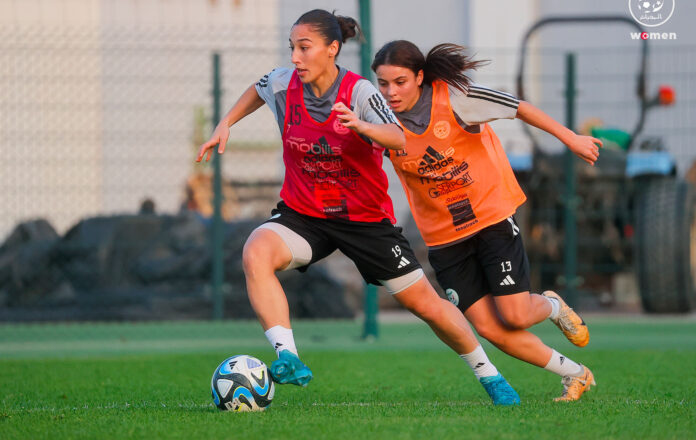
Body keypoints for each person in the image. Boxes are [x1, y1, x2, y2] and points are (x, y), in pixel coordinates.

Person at [196, 10, 519, 405]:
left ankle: (490, 375)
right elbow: (258, 88)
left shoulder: (361, 92)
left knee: (428, 306)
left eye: (304, 47)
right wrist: (226, 122)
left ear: (332, 49)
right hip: (305, 213)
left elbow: (397, 138)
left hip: (365, 220)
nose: (295, 57)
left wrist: (362, 126)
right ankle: (288, 356)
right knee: (256, 251)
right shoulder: (283, 82)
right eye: (292, 47)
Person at [372, 40, 602, 402]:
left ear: (419, 77)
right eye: (383, 84)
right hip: (444, 240)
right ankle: (576, 374)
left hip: (490, 218)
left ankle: (553, 305)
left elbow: (518, 107)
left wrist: (570, 138)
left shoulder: (457, 98)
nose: (391, 92)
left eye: (399, 82)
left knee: (516, 315)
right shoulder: (379, 118)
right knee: (490, 329)